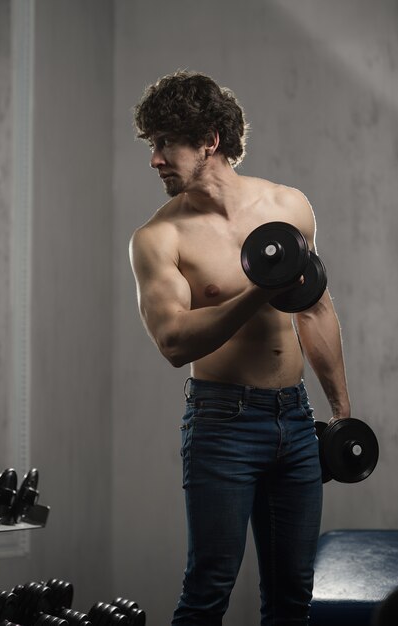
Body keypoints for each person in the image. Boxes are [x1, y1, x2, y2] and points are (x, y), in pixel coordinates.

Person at [129, 70, 351, 626]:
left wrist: (341, 411)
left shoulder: (290, 206)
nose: (154, 159)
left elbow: (316, 309)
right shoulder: (159, 238)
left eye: (164, 144)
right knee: (208, 593)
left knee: (292, 597)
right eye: (151, 145)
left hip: (296, 421)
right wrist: (260, 292)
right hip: (221, 424)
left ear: (209, 139)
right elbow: (174, 342)